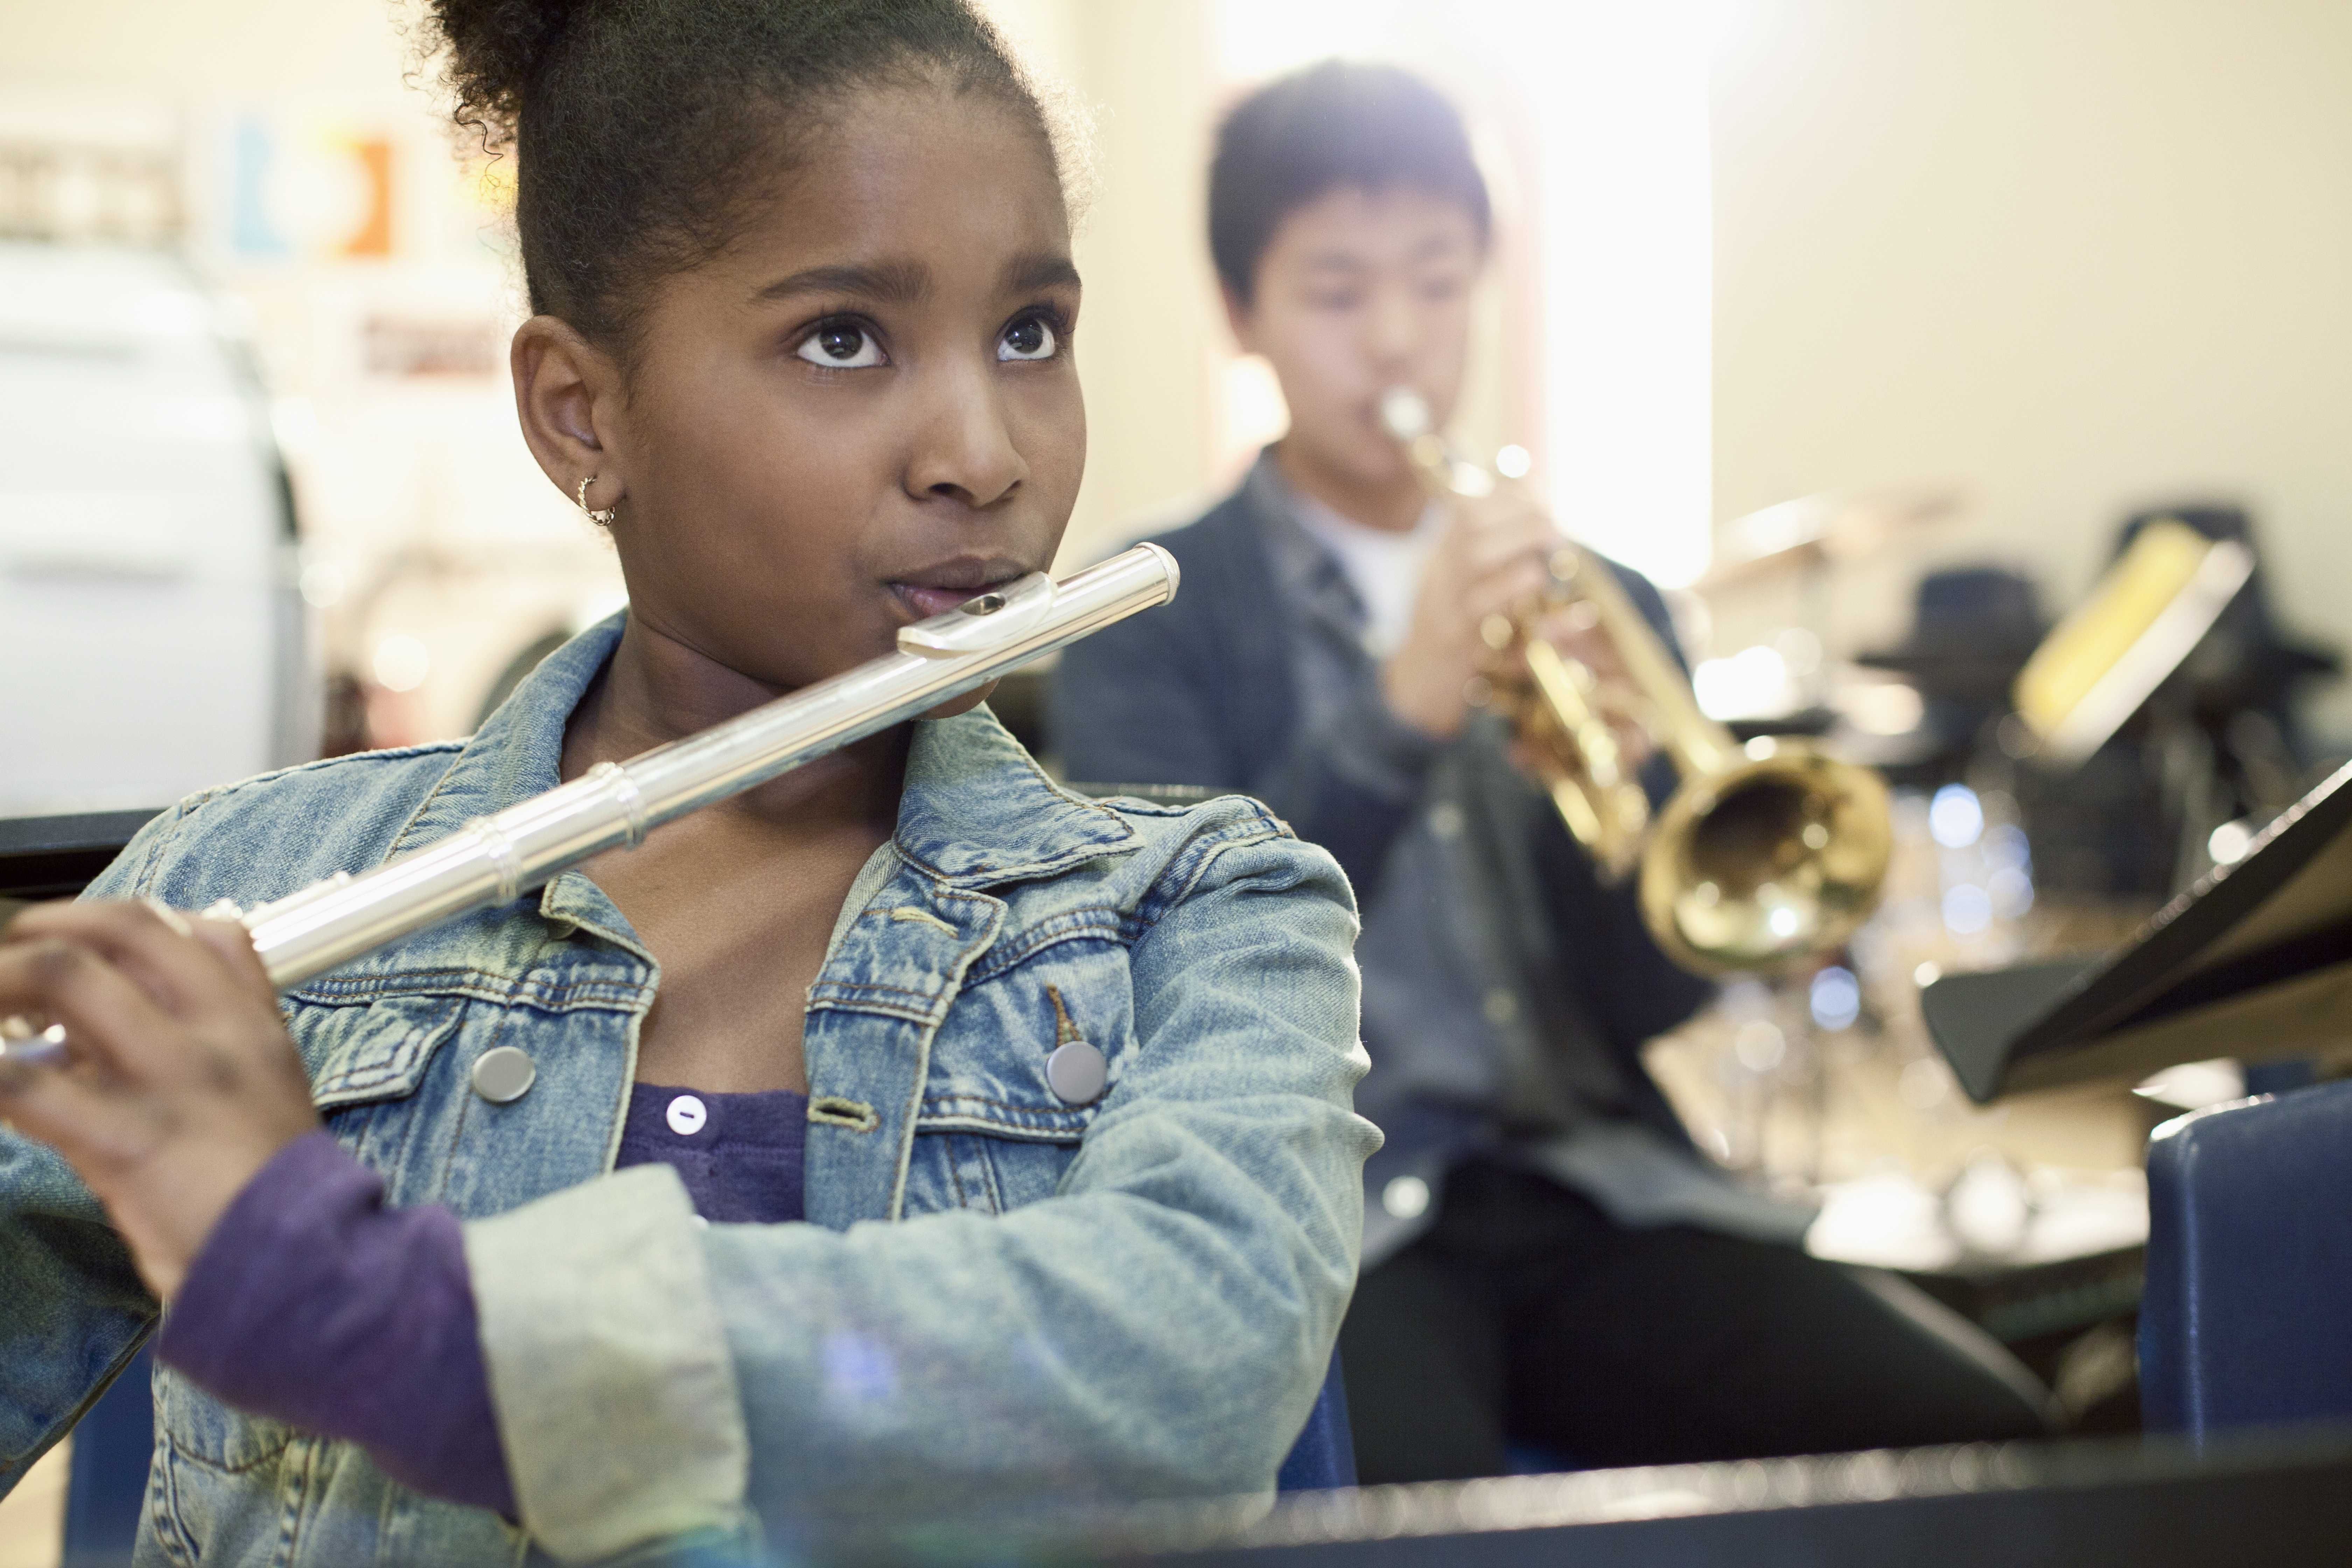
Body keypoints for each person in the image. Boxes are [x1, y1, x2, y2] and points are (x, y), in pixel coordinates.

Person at [0, 6, 1377, 1562]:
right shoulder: (241, 885)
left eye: (1029, 332)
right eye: (845, 337)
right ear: (582, 414)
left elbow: (1177, 1372)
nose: (985, 453)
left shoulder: (1203, 906)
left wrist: (351, 1300)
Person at [1051, 60, 2056, 1485]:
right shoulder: (1146, 610)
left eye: (1439, 281)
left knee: (1992, 1439)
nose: (1398, 338)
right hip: (1331, 1213)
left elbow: (1653, 997)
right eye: (1338, 293)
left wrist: (1635, 826)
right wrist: (1404, 709)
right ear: (1241, 314)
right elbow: (1163, 967)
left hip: (1597, 1188)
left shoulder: (1605, 598)